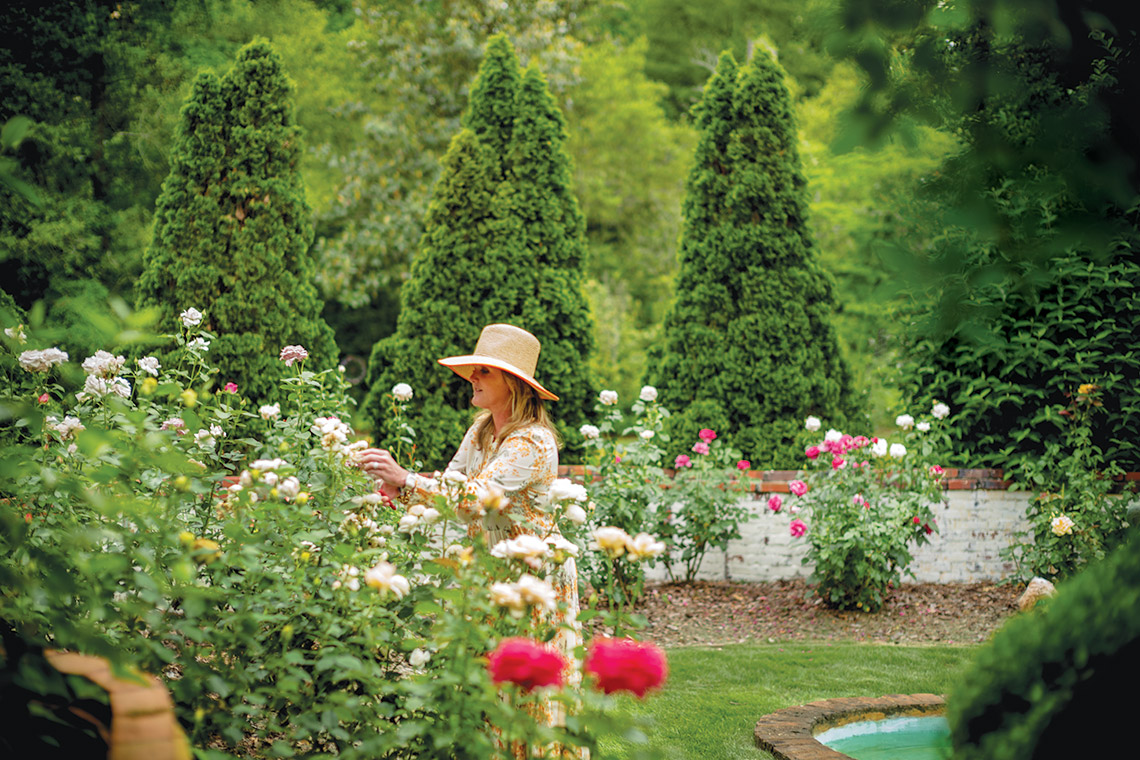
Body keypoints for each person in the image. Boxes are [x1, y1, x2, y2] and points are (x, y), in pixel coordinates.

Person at [357, 323, 585, 755]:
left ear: (513, 384)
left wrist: (406, 478)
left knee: (527, 693)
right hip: (491, 575)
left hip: (534, 580)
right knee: (486, 687)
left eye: (484, 371)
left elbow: (478, 497)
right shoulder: (482, 429)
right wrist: (399, 492)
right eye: (474, 370)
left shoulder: (533, 441)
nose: (472, 378)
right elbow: (452, 491)